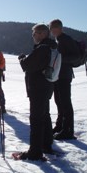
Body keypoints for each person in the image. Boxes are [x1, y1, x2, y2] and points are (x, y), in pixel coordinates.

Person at [16, 24, 55, 160]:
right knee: (45, 116)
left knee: (36, 119)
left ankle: (35, 152)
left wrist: (21, 59)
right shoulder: (52, 46)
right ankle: (46, 145)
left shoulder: (42, 48)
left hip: (38, 88)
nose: (33, 36)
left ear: (42, 34)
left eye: (34, 34)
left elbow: (27, 65)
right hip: (46, 86)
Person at [49, 19, 79, 140]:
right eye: (50, 28)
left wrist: (60, 59)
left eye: (53, 28)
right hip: (58, 76)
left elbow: (76, 56)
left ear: (59, 28)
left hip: (64, 76)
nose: (51, 30)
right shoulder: (59, 39)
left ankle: (68, 130)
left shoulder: (66, 39)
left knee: (65, 102)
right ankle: (60, 126)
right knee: (59, 101)